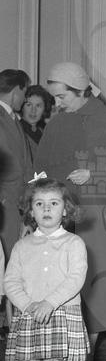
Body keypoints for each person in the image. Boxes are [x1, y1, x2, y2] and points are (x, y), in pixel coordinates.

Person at [35, 62, 106, 361]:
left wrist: (94, 173)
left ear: (81, 90)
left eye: (62, 96)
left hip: (98, 219)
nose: (57, 104)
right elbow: (40, 169)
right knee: (60, 281)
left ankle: (86, 350)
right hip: (60, 217)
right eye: (55, 98)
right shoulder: (56, 124)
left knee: (98, 285)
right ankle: (66, 350)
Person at [4, 177, 88, 361]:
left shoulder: (74, 243)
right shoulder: (22, 246)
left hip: (63, 316)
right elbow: (10, 282)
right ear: (31, 210)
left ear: (65, 209)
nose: (47, 208)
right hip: (29, 316)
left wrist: (50, 303)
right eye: (39, 204)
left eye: (54, 203)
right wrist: (28, 305)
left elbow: (76, 278)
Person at [0, 69, 33, 257]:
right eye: (25, 92)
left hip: (17, 205)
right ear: (16, 90)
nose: (25, 98)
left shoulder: (13, 119)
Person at [19, 85, 54, 163]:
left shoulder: (44, 131)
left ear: (44, 109)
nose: (33, 110)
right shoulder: (16, 130)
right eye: (29, 105)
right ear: (22, 107)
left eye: (38, 106)